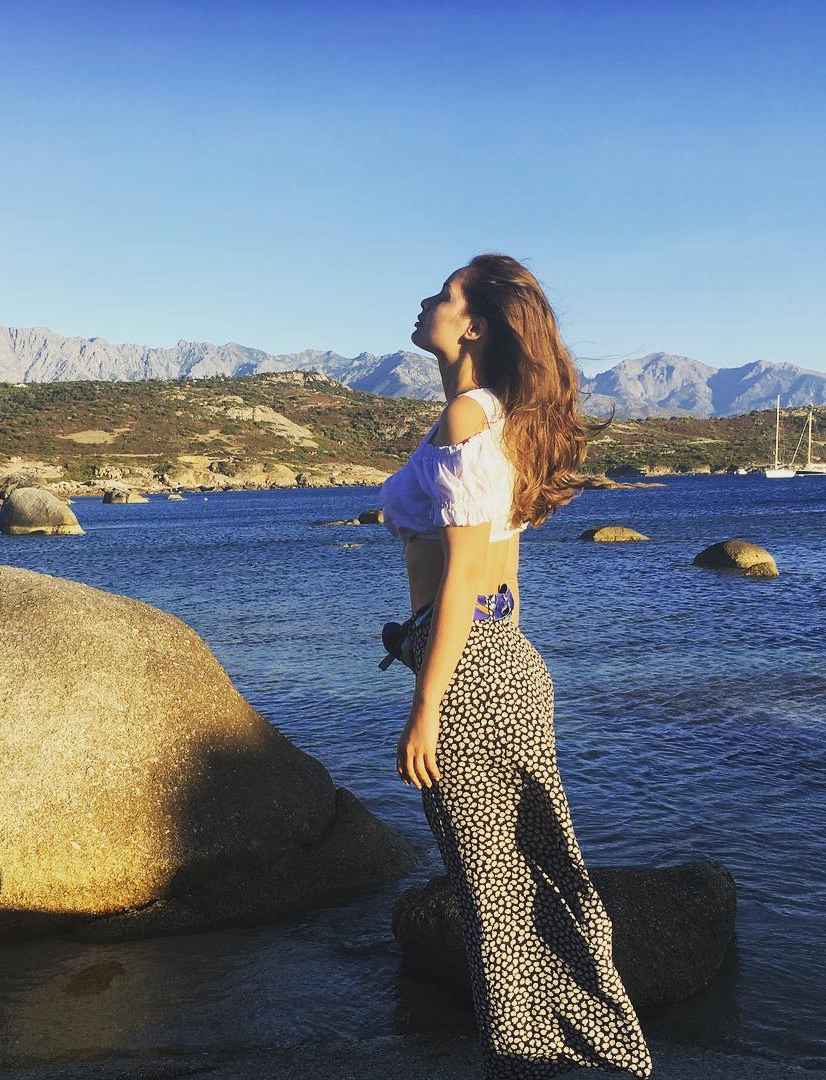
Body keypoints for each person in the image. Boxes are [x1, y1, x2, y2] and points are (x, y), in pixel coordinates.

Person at [378, 254, 652, 1079]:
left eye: (443, 294)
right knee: (544, 873)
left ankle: (534, 1061)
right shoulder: (502, 417)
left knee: (493, 897)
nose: (424, 301)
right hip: (508, 661)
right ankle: (607, 1052)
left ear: (474, 325)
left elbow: (464, 574)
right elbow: (505, 575)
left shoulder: (467, 415)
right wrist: (481, 657)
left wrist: (428, 704)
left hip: (467, 669)